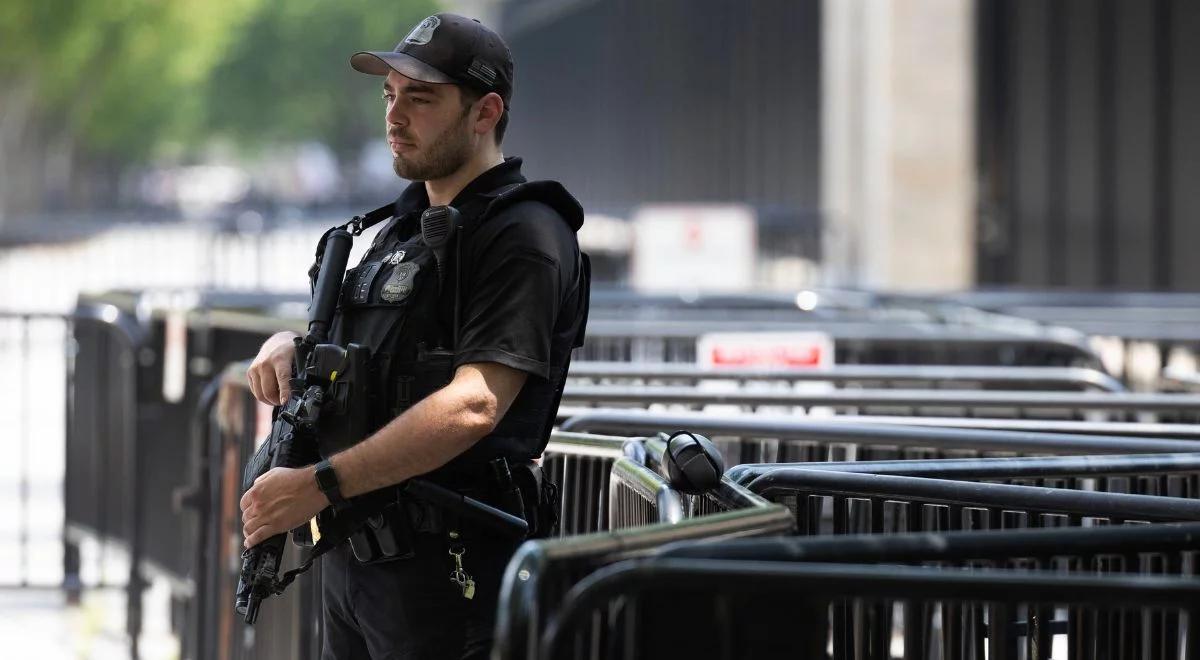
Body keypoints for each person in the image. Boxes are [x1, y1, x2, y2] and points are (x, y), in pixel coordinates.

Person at [237, 13, 589, 659]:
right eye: (390, 95)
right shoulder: (401, 228)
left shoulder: (524, 231)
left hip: (451, 564)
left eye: (421, 98)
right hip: (359, 557)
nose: (396, 116)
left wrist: (320, 484)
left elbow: (476, 401)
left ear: (485, 112)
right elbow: (378, 357)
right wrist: (291, 345)